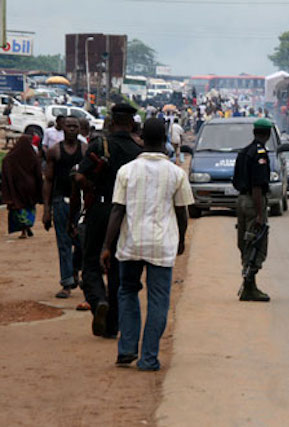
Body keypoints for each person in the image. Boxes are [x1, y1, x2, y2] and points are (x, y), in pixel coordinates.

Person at [100, 118, 192, 371]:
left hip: (131, 243)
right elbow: (182, 213)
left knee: (127, 292)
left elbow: (117, 210)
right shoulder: (176, 173)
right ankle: (149, 358)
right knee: (158, 300)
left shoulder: (127, 171)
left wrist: (107, 245)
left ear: (139, 136)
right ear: (164, 140)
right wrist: (181, 240)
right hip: (162, 245)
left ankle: (127, 349)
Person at [74, 103, 143, 338]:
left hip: (100, 209)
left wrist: (90, 185)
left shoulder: (100, 145)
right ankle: (112, 325)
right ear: (132, 123)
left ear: (111, 122)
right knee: (116, 266)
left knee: (91, 262)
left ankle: (98, 300)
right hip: (126, 213)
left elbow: (80, 176)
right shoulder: (138, 151)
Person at [42, 117, 87, 298]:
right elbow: (49, 180)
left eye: (74, 126)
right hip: (61, 200)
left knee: (82, 241)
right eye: (68, 126)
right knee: (63, 242)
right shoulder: (55, 151)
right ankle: (67, 282)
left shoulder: (84, 150)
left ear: (79, 129)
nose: (71, 129)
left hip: (81, 202)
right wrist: (47, 209)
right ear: (62, 128)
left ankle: (78, 273)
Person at [232, 118, 274, 302]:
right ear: (268, 134)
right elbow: (258, 186)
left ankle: (250, 284)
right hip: (253, 201)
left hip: (241, 200)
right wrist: (259, 213)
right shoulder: (259, 153)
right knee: (256, 242)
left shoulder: (244, 152)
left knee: (245, 241)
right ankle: (249, 287)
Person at [1, 135, 42, 239]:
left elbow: (5, 162)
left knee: (19, 208)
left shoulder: (12, 157)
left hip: (17, 187)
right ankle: (27, 227)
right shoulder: (32, 156)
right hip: (30, 188)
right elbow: (38, 172)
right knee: (29, 207)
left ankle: (24, 230)